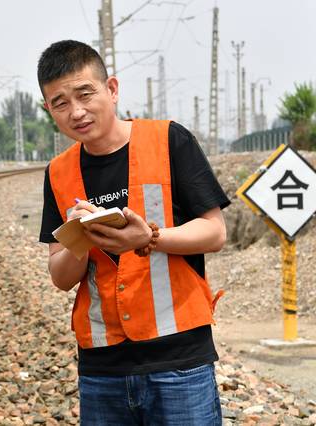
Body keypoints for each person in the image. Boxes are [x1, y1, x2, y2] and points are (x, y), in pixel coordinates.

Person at [37, 40, 230, 425]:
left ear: (111, 88)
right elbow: (60, 277)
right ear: (48, 110)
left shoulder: (169, 140)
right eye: (60, 103)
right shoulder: (58, 173)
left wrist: (149, 239)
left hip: (178, 360)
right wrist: (79, 237)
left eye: (85, 94)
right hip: (102, 367)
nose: (76, 111)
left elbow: (215, 232)